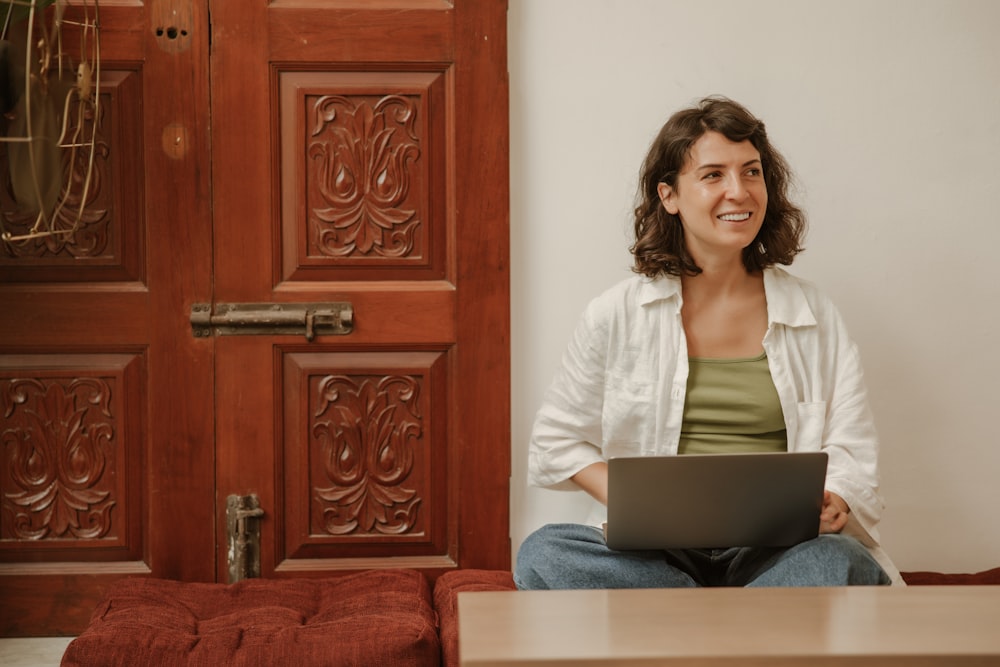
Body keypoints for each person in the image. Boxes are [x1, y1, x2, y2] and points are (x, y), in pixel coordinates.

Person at [515, 96, 901, 589]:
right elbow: (556, 441)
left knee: (834, 562)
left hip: (777, 549)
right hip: (658, 552)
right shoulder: (614, 314)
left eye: (752, 172)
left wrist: (836, 498)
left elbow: (852, 447)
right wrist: (643, 505)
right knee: (544, 553)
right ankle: (743, 623)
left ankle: (689, 625)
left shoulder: (814, 314)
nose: (738, 192)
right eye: (713, 174)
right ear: (669, 195)